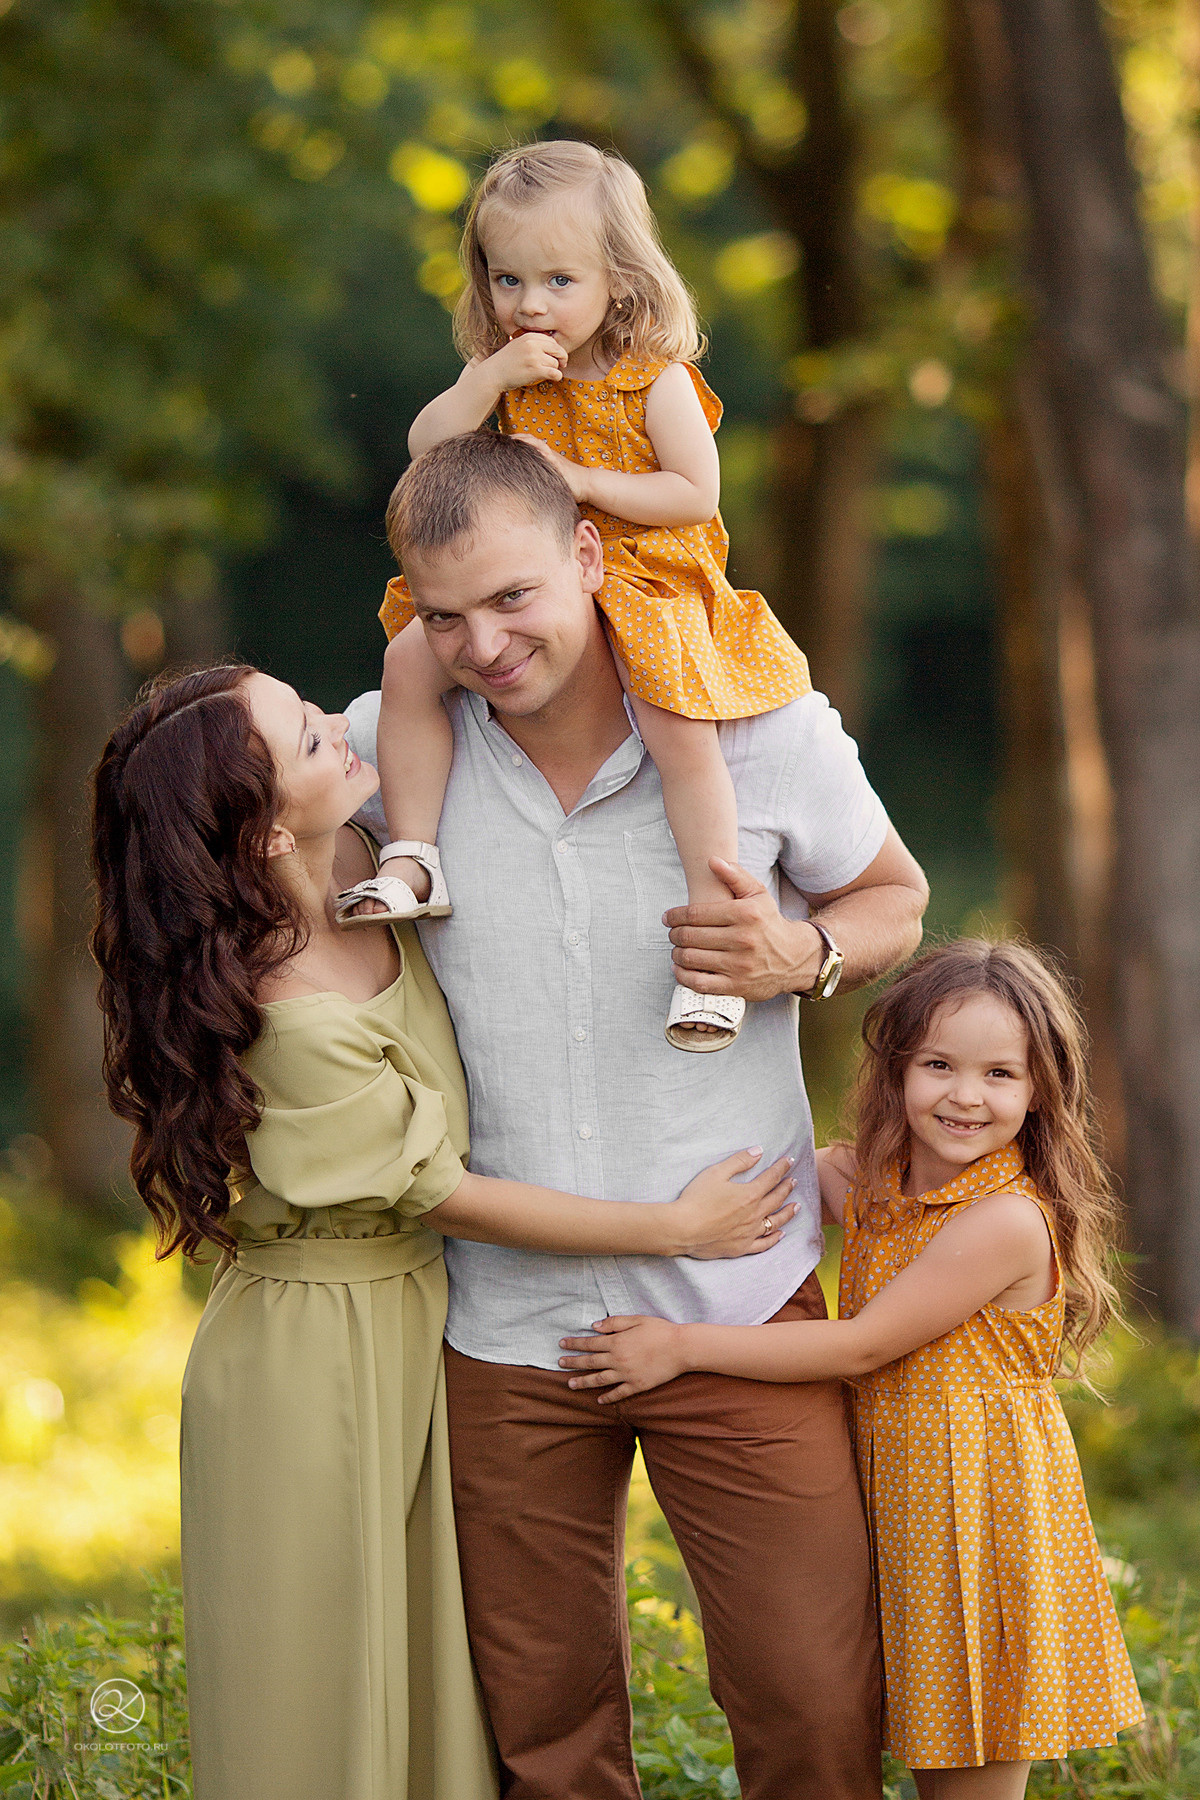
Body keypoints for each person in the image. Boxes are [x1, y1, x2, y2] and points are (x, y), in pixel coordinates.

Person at [88, 663, 799, 1800]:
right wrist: (671, 1225)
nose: (338, 728)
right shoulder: (284, 1010)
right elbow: (446, 1189)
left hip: (421, 1318)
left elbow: (417, 671)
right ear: (266, 830)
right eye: (308, 739)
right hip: (314, 1353)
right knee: (319, 1681)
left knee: (435, 1674)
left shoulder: (372, 868)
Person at [345, 426, 930, 1800]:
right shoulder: (384, 755)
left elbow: (892, 897)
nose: (484, 644)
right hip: (502, 1323)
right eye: (444, 617)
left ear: (591, 556)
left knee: (808, 1695)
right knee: (541, 1728)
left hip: (739, 1292)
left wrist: (808, 955)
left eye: (512, 599)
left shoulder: (760, 727)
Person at [559, 939, 1146, 1800]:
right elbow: (781, 1174)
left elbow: (860, 1345)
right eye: (939, 1064)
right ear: (899, 1067)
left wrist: (678, 1345)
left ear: (1040, 1091)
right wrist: (685, 1219)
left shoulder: (1004, 1221)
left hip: (976, 1517)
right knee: (894, 1735)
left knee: (964, 1774)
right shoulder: (879, 1178)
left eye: (999, 1075)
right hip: (898, 1506)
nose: (964, 1096)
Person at [341, 139, 812, 1051]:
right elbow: (427, 445)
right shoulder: (509, 371)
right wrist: (488, 381)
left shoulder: (654, 381)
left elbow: (694, 495)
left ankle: (714, 934)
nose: (530, 305)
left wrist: (581, 480)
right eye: (509, 280)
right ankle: (415, 853)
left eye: (559, 280)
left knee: (678, 724)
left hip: (645, 572)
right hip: (534, 587)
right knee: (408, 659)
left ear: (620, 282)